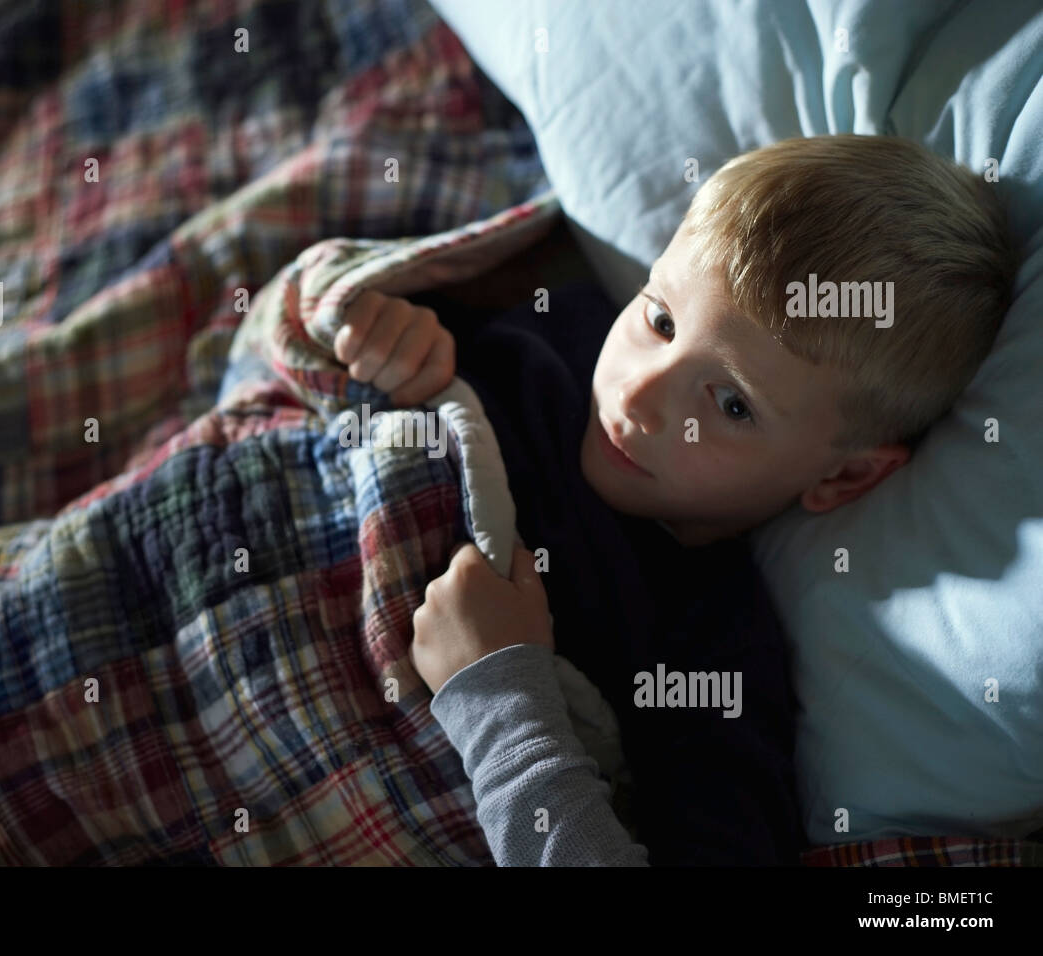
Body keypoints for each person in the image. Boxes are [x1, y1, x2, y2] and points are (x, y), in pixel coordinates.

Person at [331, 135, 1017, 865]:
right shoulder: (542, 337)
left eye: (730, 404)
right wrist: (381, 337)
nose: (637, 394)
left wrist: (500, 699)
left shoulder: (709, 653)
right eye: (660, 321)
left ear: (843, 480)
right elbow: (311, 329)